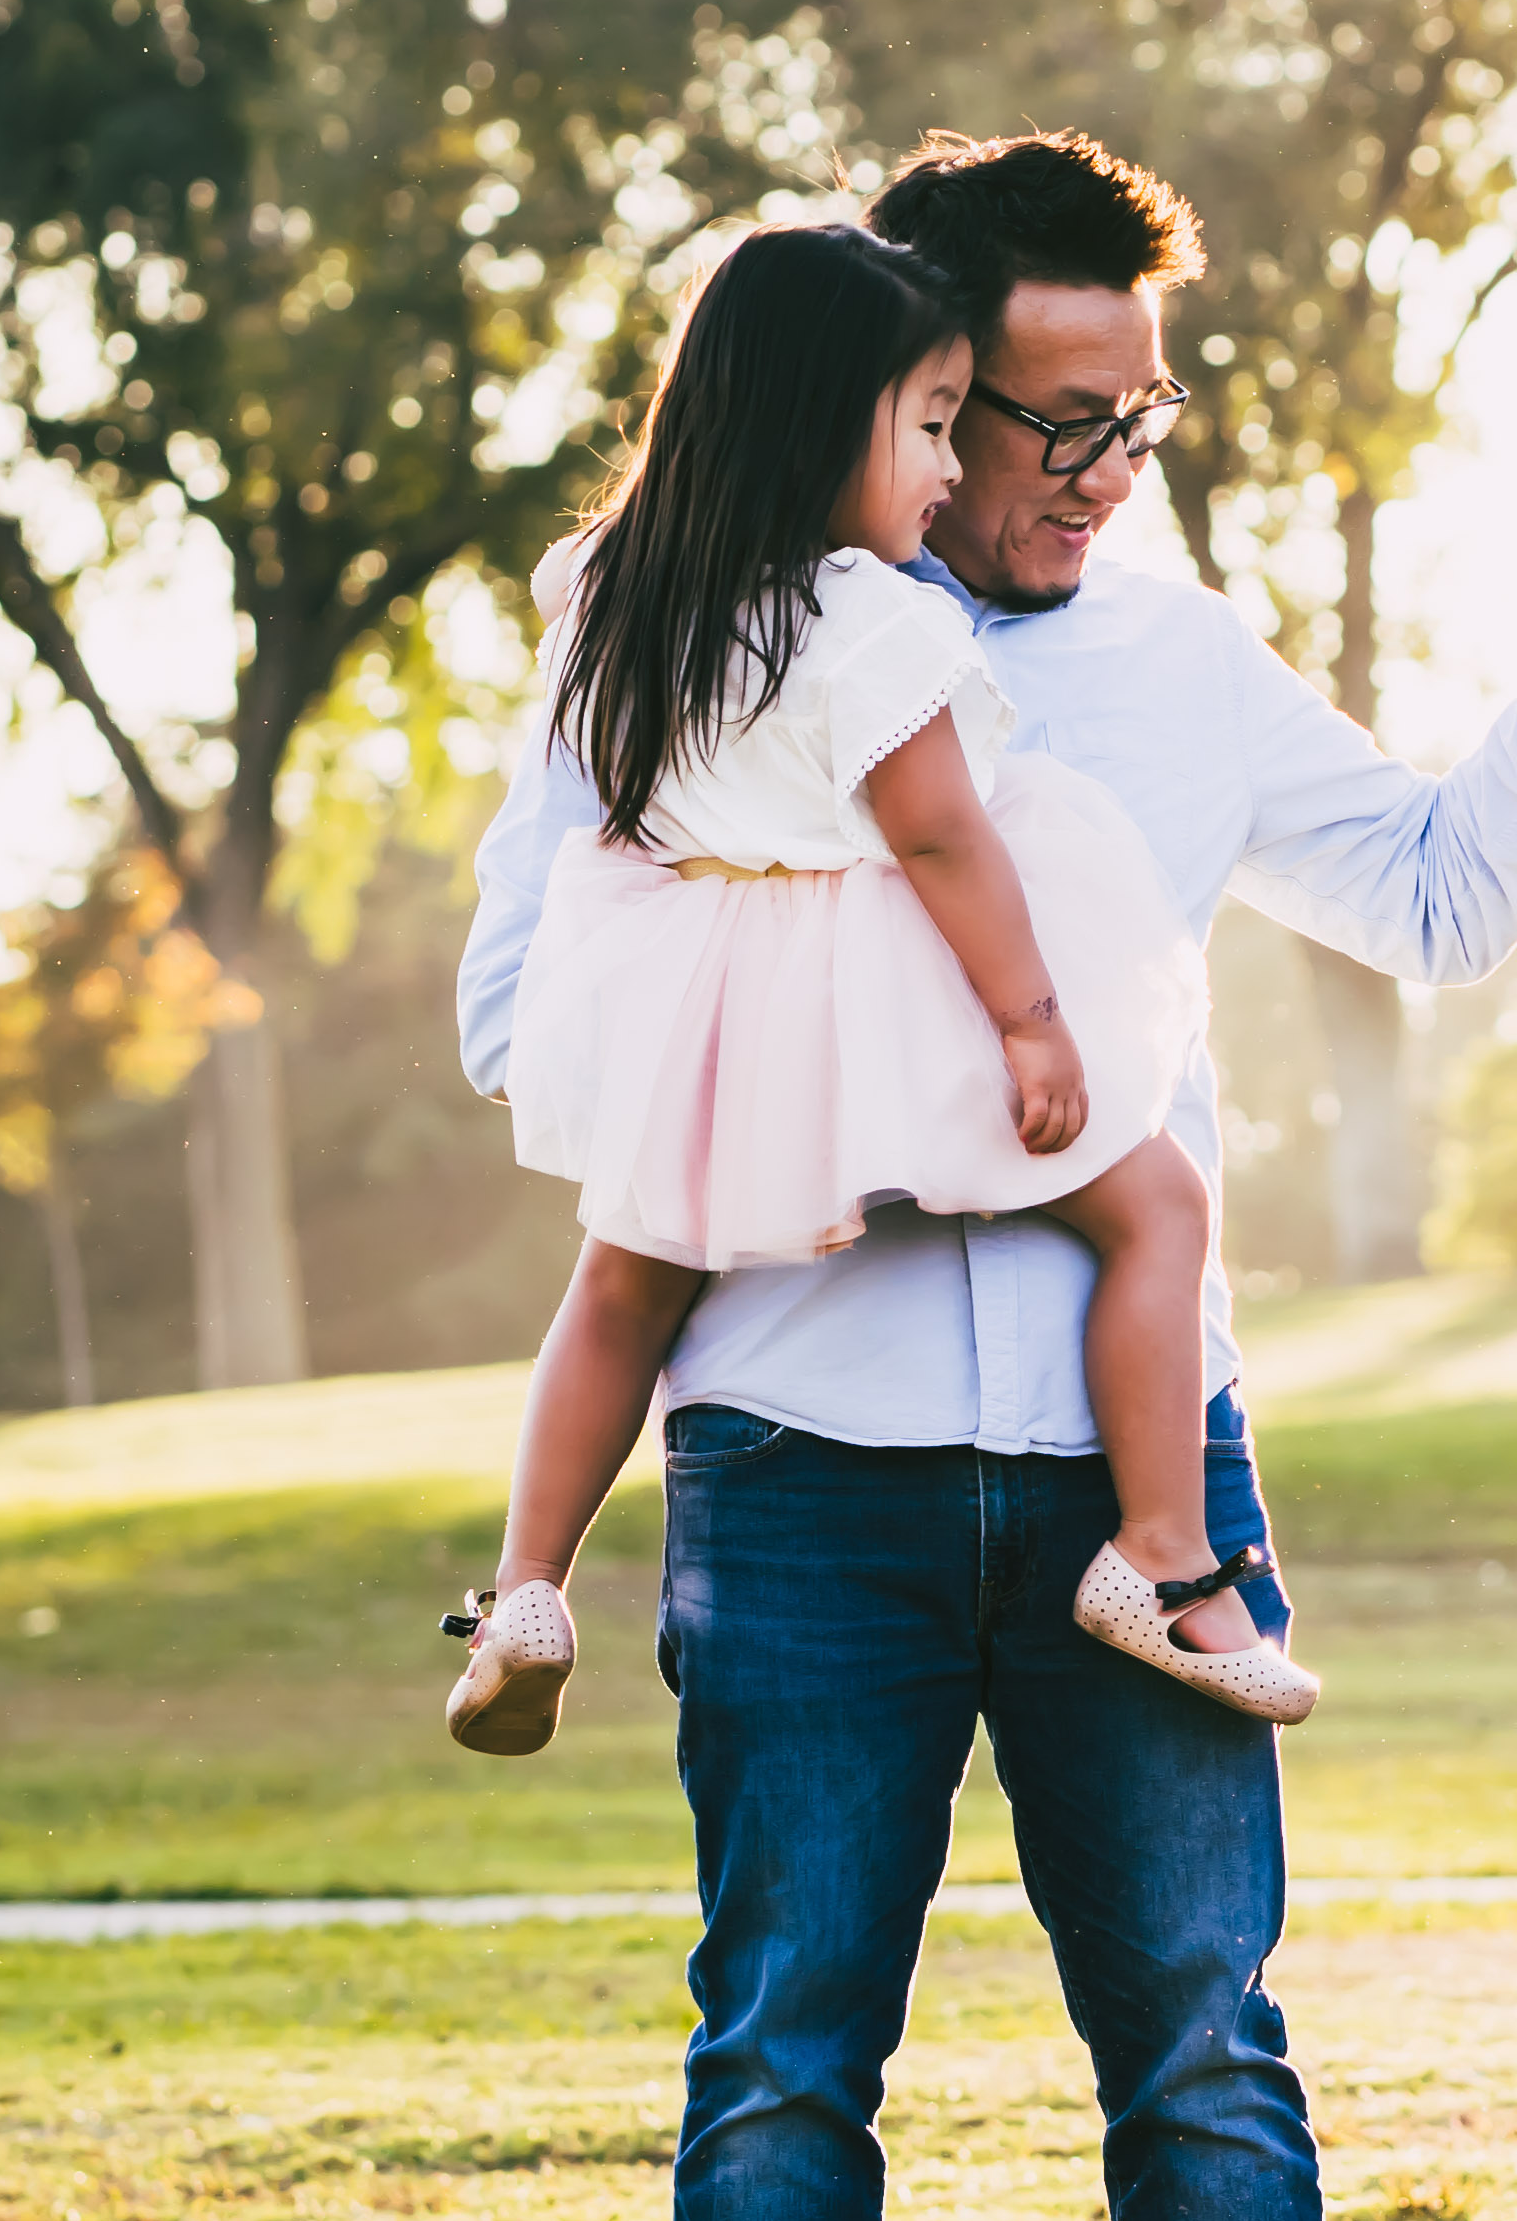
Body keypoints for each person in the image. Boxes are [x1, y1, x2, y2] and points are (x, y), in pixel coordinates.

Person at [454, 129, 1517, 2221]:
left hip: (1142, 1474)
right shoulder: (665, 620)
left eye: (1141, 417)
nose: (1103, 469)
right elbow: (520, 1020)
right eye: (1050, 419)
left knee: (1204, 2045)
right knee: (783, 2055)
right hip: (797, 1455)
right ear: (912, 383)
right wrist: (884, 1080)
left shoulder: (1176, 662)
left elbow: (1445, 899)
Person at [449, 220, 1312, 1753]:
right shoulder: (865, 621)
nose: (944, 467)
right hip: (893, 1018)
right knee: (1159, 1206)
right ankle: (1165, 1553)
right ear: (818, 424)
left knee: (624, 1283)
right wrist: (1035, 1024)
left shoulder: (614, 595)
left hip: (717, 1028)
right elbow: (939, 837)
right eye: (927, 425)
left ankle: (525, 1584)